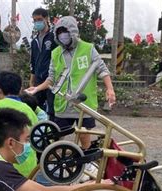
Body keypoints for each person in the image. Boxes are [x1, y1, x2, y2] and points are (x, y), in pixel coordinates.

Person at [26, 16, 116, 150]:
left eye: (65, 32)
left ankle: (87, 161)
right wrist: (37, 89)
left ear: (73, 32)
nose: (63, 36)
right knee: (57, 135)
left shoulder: (88, 49)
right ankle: (53, 160)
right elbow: (51, 79)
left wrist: (110, 89)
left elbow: (102, 69)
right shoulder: (56, 53)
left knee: (84, 133)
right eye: (59, 33)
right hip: (63, 103)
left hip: (83, 104)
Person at [30, 7, 57, 119]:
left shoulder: (54, 37)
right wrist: (32, 80)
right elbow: (33, 62)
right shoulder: (34, 41)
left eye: (39, 19)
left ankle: (53, 132)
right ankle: (40, 131)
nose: (37, 22)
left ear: (46, 19)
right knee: (36, 107)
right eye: (35, 20)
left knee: (51, 108)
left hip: (52, 80)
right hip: (38, 80)